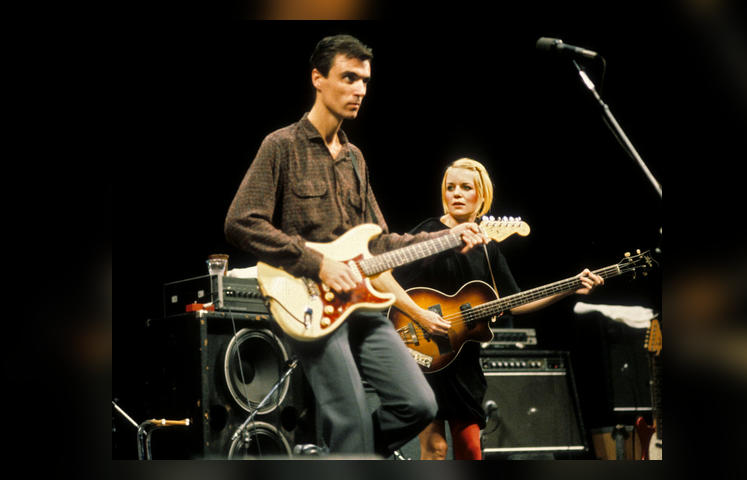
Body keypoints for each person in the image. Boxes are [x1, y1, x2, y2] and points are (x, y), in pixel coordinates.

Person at [224, 34, 488, 457]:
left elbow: (380, 241)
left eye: (364, 80)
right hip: (312, 308)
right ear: (318, 78)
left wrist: (446, 238)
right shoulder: (281, 146)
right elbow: (241, 222)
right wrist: (317, 264)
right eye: (349, 78)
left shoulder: (355, 159)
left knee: (419, 405)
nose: (360, 90)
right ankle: (352, 452)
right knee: (349, 416)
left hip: (363, 306)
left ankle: (342, 456)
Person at [392, 158, 604, 460]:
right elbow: (388, 281)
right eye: (450, 187)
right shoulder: (427, 233)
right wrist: (417, 314)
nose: (457, 193)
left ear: (482, 196)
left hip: (464, 361)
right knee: (435, 449)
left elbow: (516, 302)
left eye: (466, 187)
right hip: (426, 354)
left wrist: (569, 287)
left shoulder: (489, 248)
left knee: (470, 449)